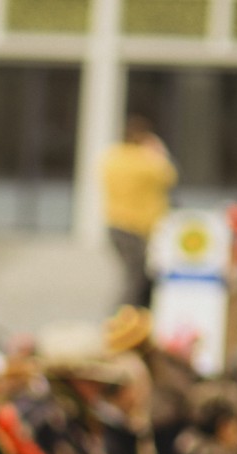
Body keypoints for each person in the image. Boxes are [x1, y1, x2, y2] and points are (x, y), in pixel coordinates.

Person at [101, 116, 177, 309]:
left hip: (115, 224)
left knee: (135, 275)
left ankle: (134, 318)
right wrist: (157, 152)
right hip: (137, 227)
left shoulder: (113, 158)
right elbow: (168, 177)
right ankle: (123, 320)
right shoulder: (145, 162)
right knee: (138, 278)